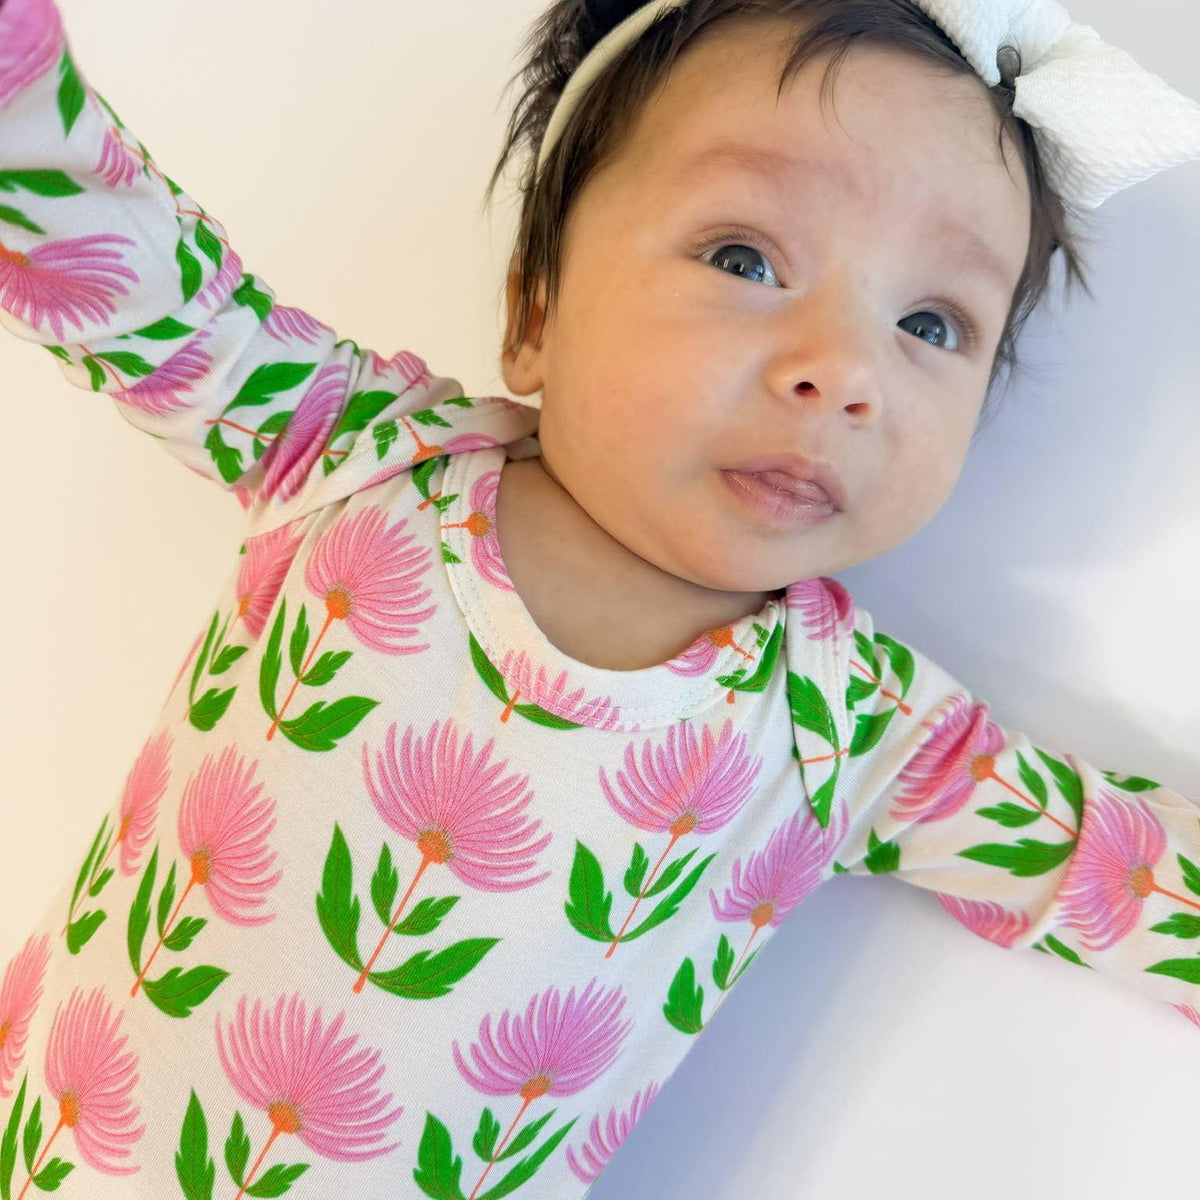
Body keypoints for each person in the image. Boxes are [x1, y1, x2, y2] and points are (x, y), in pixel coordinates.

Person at [0, 0, 1198, 1196]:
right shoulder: (352, 452)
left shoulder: (847, 727)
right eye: (745, 259)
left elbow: (1107, 869)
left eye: (931, 324)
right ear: (536, 311)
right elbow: (137, 283)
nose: (844, 372)